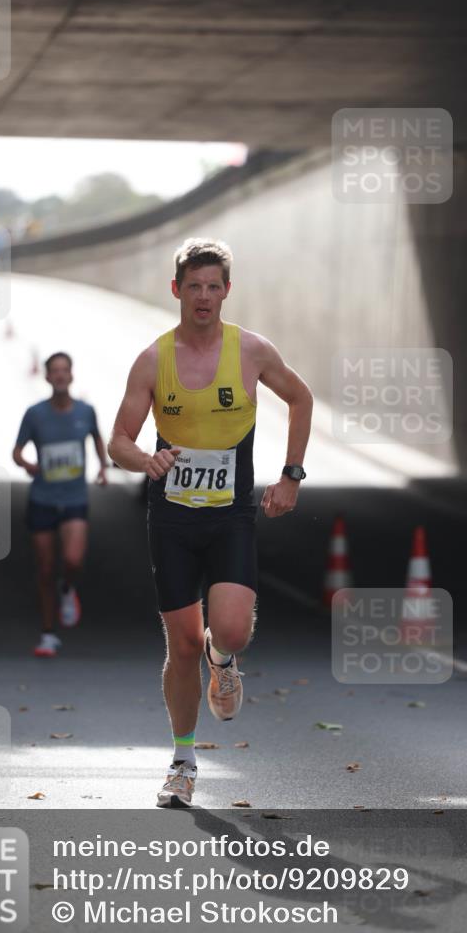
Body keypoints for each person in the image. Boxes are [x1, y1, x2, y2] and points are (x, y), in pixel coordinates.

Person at [108, 238, 313, 808]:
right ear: (176, 290)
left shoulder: (250, 351)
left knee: (228, 632)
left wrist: (291, 474)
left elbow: (301, 398)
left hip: (230, 518)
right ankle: (182, 761)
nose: (203, 297)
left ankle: (225, 664)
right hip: (171, 521)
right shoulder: (154, 360)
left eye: (213, 286)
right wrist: (144, 460)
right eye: (193, 286)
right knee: (181, 646)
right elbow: (117, 440)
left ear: (227, 291)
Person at [13, 352, 109, 657]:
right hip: (42, 499)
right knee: (44, 570)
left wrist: (103, 466)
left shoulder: (86, 411)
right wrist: (28, 465)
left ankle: (67, 588)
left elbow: (96, 437)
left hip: (74, 499)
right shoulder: (35, 414)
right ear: (46, 377)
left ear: (71, 375)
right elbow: (16, 451)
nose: (59, 375)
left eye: (64, 370)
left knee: (72, 560)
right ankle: (48, 633)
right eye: (54, 371)